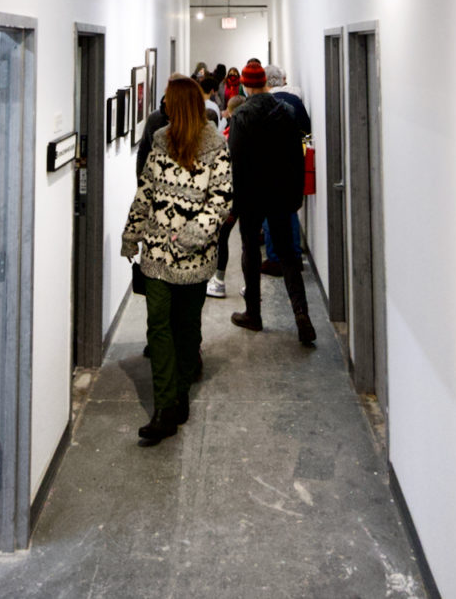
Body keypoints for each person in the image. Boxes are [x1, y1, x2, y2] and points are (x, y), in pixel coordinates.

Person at [122, 77, 232, 444]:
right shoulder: (159, 141)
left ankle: (180, 389)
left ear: (180, 104)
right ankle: (165, 407)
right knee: (158, 325)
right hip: (156, 254)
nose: (164, 105)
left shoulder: (216, 146)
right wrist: (132, 234)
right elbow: (145, 192)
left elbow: (221, 199)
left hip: (193, 258)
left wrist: (192, 236)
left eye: (169, 100)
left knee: (186, 327)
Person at [227, 61, 316, 345]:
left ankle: (254, 313)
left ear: (245, 85)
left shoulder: (241, 115)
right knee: (289, 254)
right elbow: (298, 154)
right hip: (280, 193)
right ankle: (301, 314)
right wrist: (296, 193)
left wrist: (235, 204)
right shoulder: (287, 112)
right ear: (266, 82)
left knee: (250, 252)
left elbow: (236, 163)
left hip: (252, 196)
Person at [261, 64, 309, 275]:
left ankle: (275, 259)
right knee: (290, 212)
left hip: (269, 166)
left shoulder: (263, 103)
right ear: (282, 80)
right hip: (293, 165)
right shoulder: (296, 101)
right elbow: (307, 130)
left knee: (270, 213)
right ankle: (295, 257)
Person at [206, 95, 245, 298]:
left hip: (234, 196)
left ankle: (219, 281)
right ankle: (250, 286)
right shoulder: (242, 133)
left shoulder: (230, 137)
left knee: (222, 237)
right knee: (248, 242)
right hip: (248, 194)